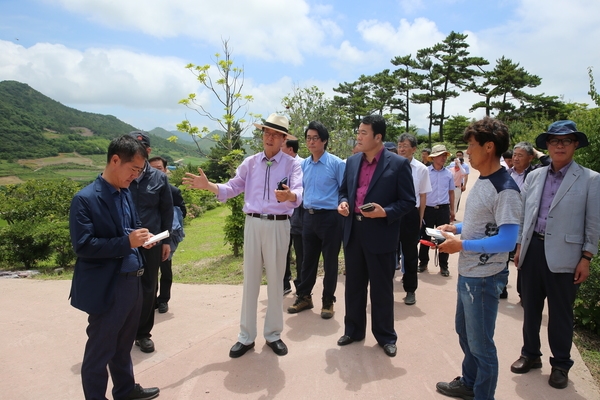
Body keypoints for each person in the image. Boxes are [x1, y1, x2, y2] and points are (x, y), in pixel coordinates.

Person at [183, 113, 303, 358]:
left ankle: (273, 335)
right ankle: (246, 337)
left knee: (276, 281)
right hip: (253, 223)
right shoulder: (250, 163)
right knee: (250, 281)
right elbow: (233, 187)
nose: (269, 138)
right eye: (266, 133)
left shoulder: (292, 165)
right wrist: (209, 186)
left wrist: (289, 196)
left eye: (275, 134)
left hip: (279, 225)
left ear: (283, 139)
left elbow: (299, 193)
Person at [435, 117, 522, 400]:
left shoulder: (506, 188)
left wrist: (461, 245)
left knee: (482, 346)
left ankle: (483, 394)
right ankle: (469, 383)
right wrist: (454, 229)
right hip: (470, 273)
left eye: (471, 146)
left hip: (484, 277)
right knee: (465, 333)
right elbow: (483, 223)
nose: (467, 152)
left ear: (489, 147)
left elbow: (508, 240)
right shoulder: (483, 180)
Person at [510, 120, 600, 390]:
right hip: (533, 250)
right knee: (531, 309)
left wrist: (587, 257)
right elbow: (523, 214)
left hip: (567, 255)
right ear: (547, 146)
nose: (560, 145)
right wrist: (518, 246)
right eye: (554, 141)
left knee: (561, 313)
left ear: (575, 145)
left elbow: (593, 223)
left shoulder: (590, 179)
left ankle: (560, 364)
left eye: (566, 141)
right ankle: (530, 354)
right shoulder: (535, 176)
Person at [69, 135, 160, 400]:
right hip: (109, 285)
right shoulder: (85, 199)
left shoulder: (126, 193)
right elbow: (84, 246)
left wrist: (141, 239)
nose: (135, 176)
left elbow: (128, 229)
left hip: (133, 280)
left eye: (139, 172)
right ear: (115, 160)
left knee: (123, 345)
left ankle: (124, 390)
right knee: (100, 349)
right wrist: (126, 242)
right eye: (133, 170)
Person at [337, 114, 415, 357]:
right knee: (354, 285)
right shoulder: (351, 162)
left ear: (378, 137)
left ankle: (385, 336)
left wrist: (385, 212)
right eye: (358, 132)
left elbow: (408, 201)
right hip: (353, 231)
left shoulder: (398, 164)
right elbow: (343, 191)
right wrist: (342, 203)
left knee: (381, 288)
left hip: (381, 233)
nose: (358, 137)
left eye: (363, 133)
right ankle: (353, 330)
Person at [287, 121, 345, 319]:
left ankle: (328, 301)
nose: (311, 142)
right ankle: (304, 296)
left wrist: (343, 206)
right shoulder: (302, 165)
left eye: (315, 138)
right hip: (307, 218)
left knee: (330, 262)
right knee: (307, 261)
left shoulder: (337, 164)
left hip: (330, 218)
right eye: (308, 138)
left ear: (324, 140)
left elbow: (344, 191)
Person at [128, 131, 174, 354]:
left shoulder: (159, 178)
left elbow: (167, 211)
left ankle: (143, 333)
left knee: (148, 287)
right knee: (122, 287)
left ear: (147, 151)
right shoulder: (120, 175)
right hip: (124, 243)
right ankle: (122, 330)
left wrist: (166, 241)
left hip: (152, 243)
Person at [503, 142, 551, 299]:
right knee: (502, 255)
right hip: (506, 219)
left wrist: (538, 153)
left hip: (527, 223)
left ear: (530, 157)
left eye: (520, 155)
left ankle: (523, 293)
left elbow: (550, 162)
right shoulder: (506, 173)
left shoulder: (537, 172)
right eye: (514, 155)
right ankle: (500, 287)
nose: (515, 158)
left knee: (522, 258)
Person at [148, 156, 187, 314]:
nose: (156, 172)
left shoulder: (173, 191)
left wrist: (172, 222)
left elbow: (182, 210)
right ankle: (150, 301)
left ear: (165, 170)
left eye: (159, 169)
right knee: (150, 270)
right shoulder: (144, 190)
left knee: (165, 267)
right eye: (152, 169)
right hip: (149, 234)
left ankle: (163, 299)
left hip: (166, 235)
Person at [396, 133, 431, 306]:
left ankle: (410, 290)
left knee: (410, 254)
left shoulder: (421, 169)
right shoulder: (390, 165)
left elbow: (423, 196)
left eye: (405, 146)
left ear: (414, 149)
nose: (401, 149)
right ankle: (384, 287)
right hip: (393, 213)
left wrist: (420, 218)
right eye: (399, 145)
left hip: (411, 213)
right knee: (388, 252)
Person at [418, 144, 455, 277]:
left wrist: (452, 210)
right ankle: (423, 263)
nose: (443, 158)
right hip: (428, 210)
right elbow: (421, 193)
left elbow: (451, 193)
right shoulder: (426, 172)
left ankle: (444, 266)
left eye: (445, 155)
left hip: (443, 210)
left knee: (442, 238)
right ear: (433, 158)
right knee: (425, 237)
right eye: (441, 155)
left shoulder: (449, 174)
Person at [280, 139, 303, 295]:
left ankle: (301, 286)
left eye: (282, 146)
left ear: (290, 149)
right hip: (283, 215)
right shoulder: (280, 164)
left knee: (301, 252)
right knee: (283, 250)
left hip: (300, 215)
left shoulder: (303, 165)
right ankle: (284, 282)